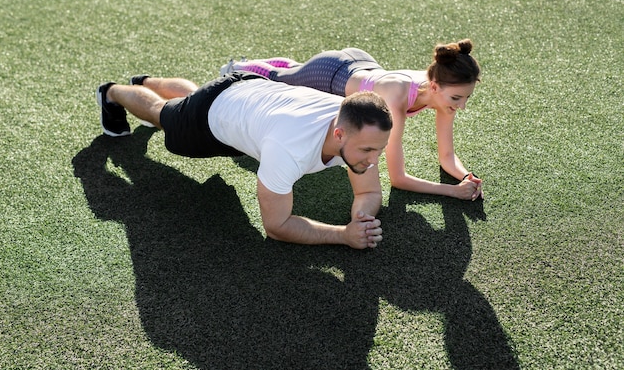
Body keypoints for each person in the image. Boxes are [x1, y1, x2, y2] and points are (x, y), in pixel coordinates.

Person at [96, 71, 393, 249]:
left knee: (192, 98)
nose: (374, 159)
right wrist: (343, 235)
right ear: (339, 134)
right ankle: (111, 92)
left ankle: (145, 80)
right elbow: (276, 227)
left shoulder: (354, 123)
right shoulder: (289, 148)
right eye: (368, 150)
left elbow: (368, 192)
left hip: (244, 93)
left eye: (379, 149)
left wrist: (361, 218)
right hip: (212, 116)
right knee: (162, 115)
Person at [221, 39, 484, 201]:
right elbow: (398, 179)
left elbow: (447, 157)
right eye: (457, 98)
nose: (461, 106)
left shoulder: (442, 93)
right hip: (330, 75)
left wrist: (466, 177)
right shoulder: (395, 98)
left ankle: (264, 66)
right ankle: (237, 70)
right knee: (279, 79)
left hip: (360, 65)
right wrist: (451, 191)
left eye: (466, 98)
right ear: (435, 87)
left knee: (292, 71)